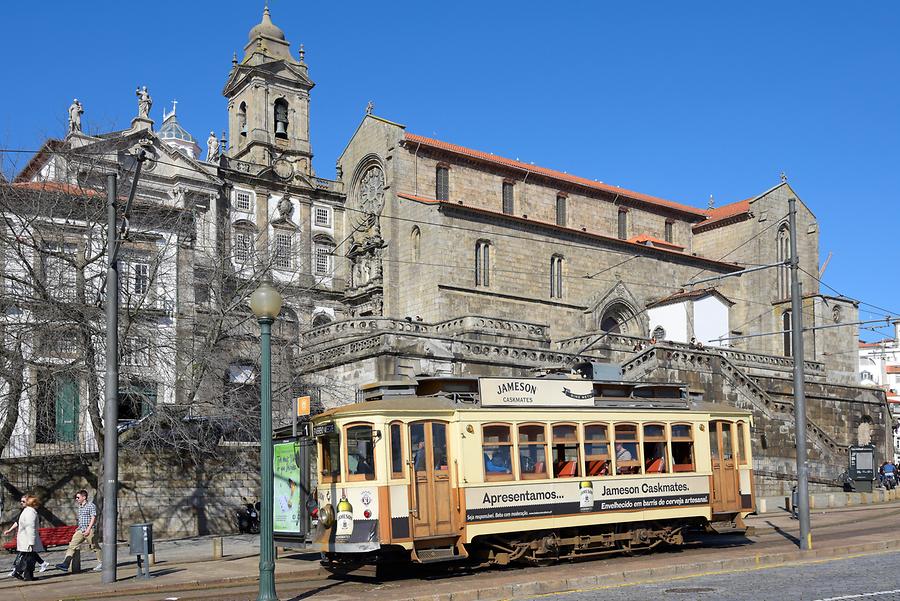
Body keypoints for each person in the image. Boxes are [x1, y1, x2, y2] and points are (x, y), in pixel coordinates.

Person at [56, 490, 102, 573]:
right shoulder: (80, 506)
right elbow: (82, 519)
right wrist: (78, 528)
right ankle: (65, 564)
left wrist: (88, 529)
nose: (76, 499)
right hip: (81, 530)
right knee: (72, 545)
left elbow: (93, 518)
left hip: (90, 530)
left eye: (78, 497)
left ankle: (102, 563)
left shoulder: (91, 505)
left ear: (84, 497)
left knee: (95, 547)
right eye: (76, 497)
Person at [4, 496, 49, 576]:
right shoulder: (28, 512)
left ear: (29, 502)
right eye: (21, 501)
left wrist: (31, 540)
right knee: (28, 556)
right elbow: (23, 524)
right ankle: (20, 572)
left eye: (23, 501)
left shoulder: (29, 512)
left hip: (26, 539)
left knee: (27, 556)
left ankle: (20, 572)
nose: (21, 503)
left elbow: (29, 526)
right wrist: (10, 530)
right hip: (26, 539)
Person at [13, 495, 44, 581]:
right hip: (28, 539)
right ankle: (19, 572)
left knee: (29, 558)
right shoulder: (31, 512)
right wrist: (31, 541)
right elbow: (30, 527)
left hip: (25, 538)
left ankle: (27, 575)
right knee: (29, 559)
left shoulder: (27, 511)